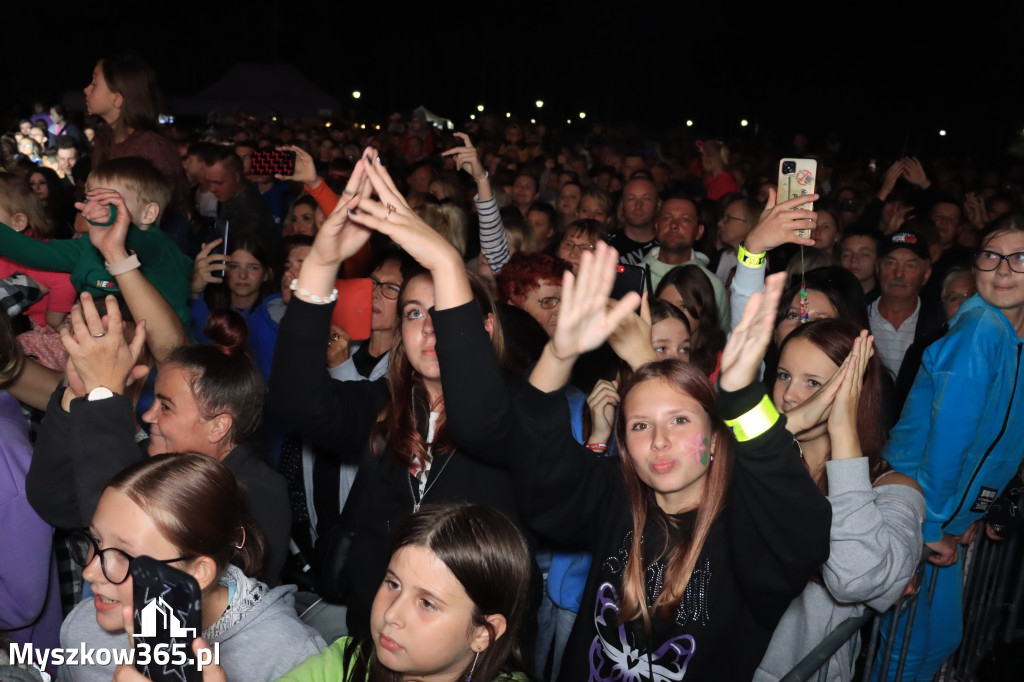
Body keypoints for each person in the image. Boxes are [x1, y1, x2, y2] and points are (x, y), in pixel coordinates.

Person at [440, 243, 831, 681]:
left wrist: (742, 397)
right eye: (640, 426)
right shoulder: (617, 496)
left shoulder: (743, 527)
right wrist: (557, 356)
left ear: (718, 440)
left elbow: (803, 533)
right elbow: (542, 476)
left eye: (680, 421)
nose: (660, 441)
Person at [270, 150, 531, 636]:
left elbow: (488, 425)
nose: (430, 329)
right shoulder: (383, 408)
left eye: (446, 314)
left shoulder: (520, 413)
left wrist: (443, 257)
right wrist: (323, 262)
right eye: (413, 313)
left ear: (486, 326)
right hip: (376, 638)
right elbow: (296, 398)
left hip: (467, 649)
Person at [26, 296, 290, 583]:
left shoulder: (256, 493)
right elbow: (55, 503)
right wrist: (76, 392)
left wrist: (104, 398)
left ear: (218, 426)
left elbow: (148, 579)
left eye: (165, 406)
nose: (148, 416)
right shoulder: (154, 461)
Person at [876, 215, 1024, 680]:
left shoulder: (1012, 333)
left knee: (933, 639)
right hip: (916, 503)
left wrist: (967, 514)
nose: (1002, 270)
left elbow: (1002, 439)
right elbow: (950, 438)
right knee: (909, 646)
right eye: (990, 255)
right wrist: (936, 521)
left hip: (944, 512)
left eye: (1019, 258)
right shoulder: (981, 328)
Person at [754, 320, 924, 681]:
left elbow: (856, 579)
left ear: (855, 393)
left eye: (813, 382)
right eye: (783, 375)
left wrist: (843, 430)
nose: (789, 395)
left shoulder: (893, 488)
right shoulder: (758, 466)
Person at [62, 453, 324, 682]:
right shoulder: (82, 627)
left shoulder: (292, 658)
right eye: (96, 540)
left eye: (125, 556)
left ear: (198, 573)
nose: (89, 572)